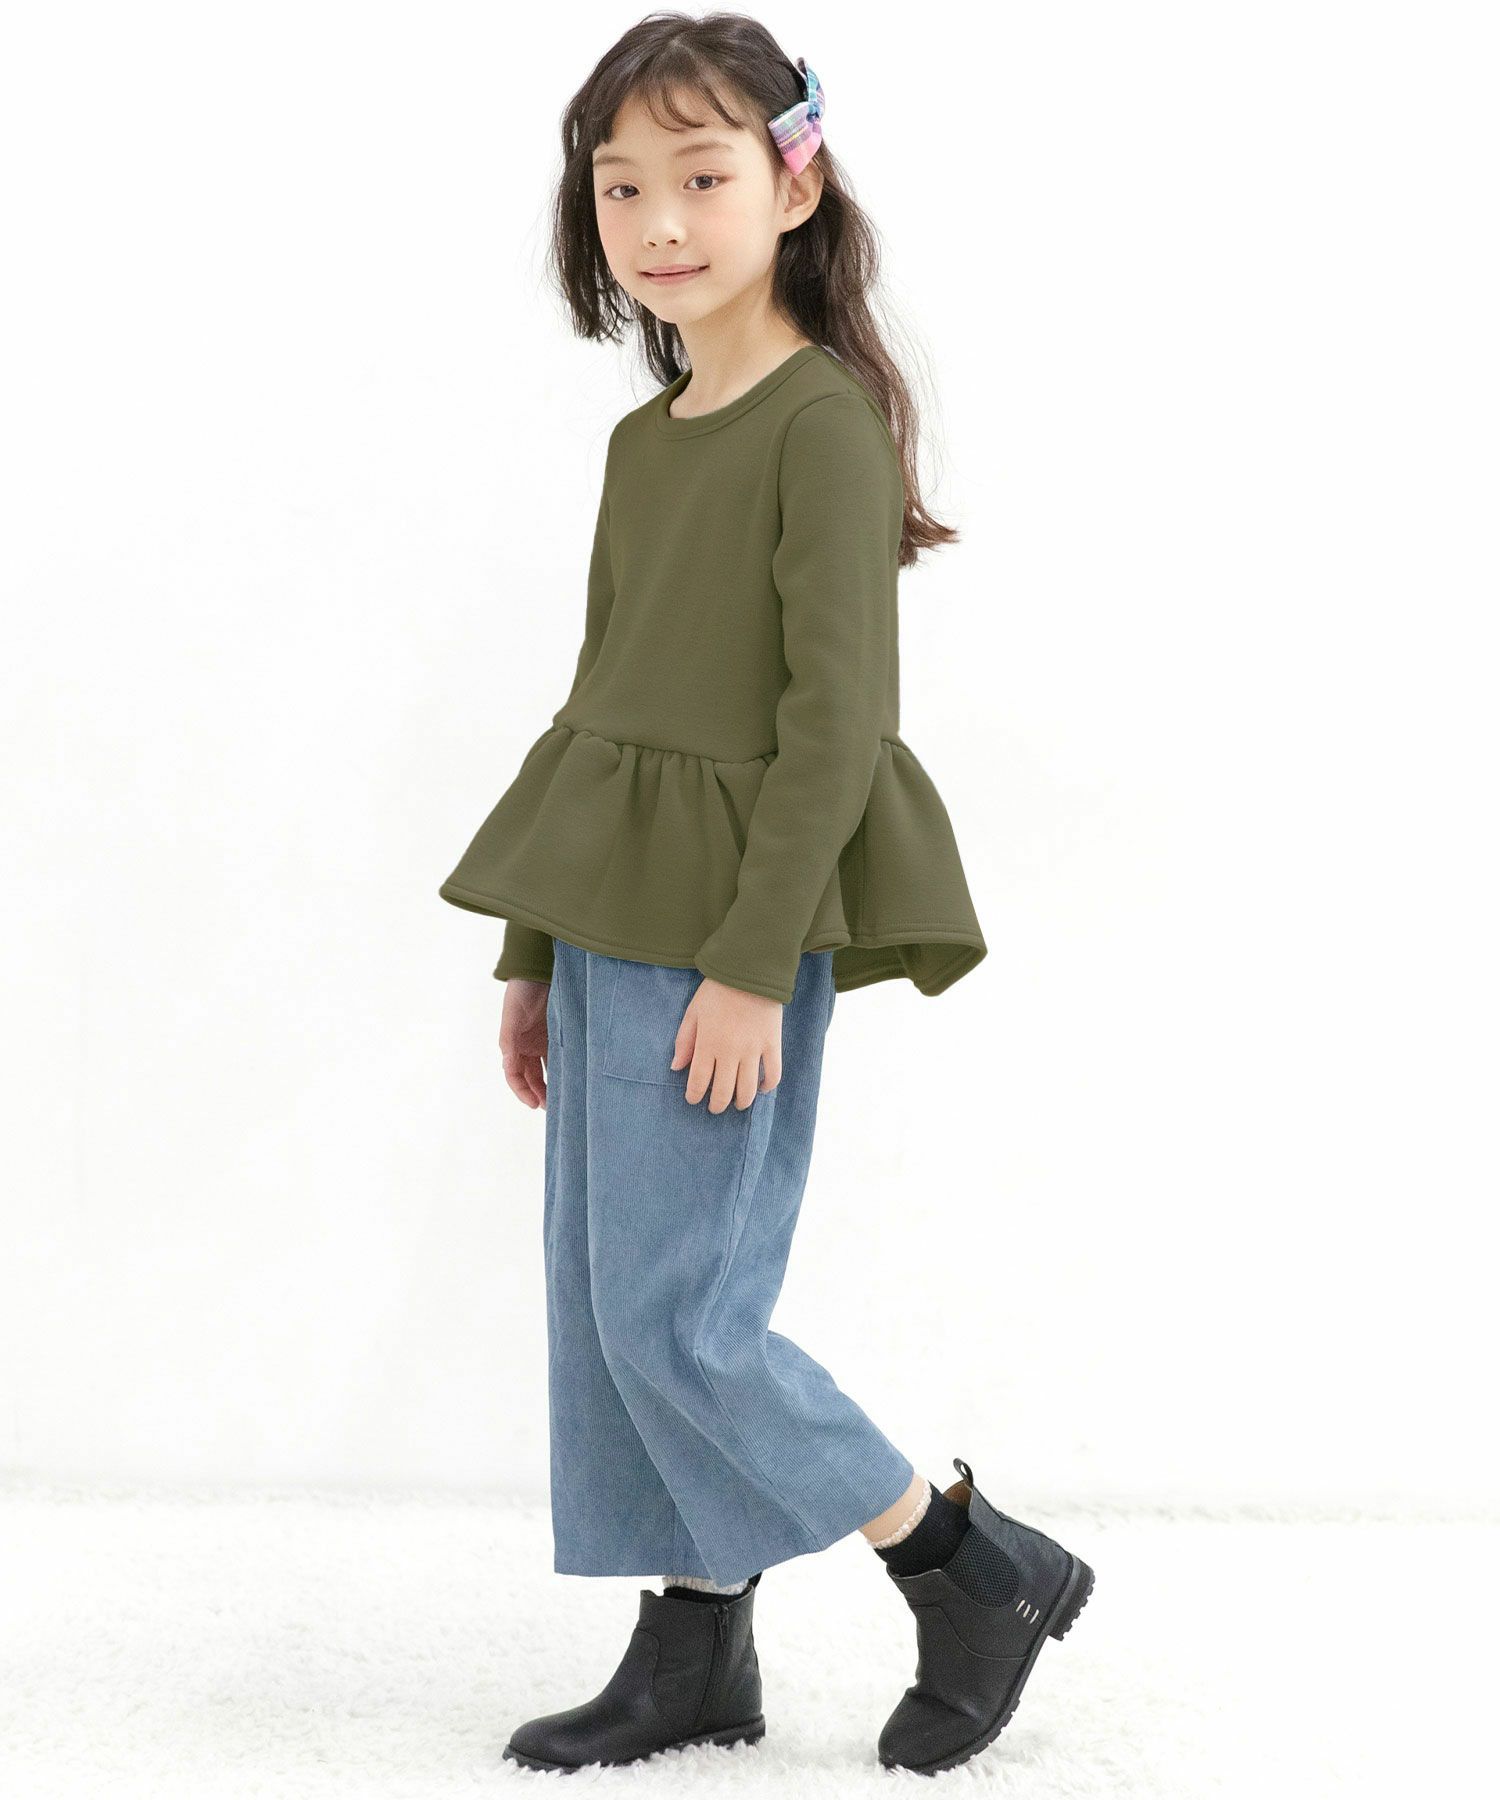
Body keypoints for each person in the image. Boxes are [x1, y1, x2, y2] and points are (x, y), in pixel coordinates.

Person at [438, 13, 1094, 1778]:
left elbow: (835, 731)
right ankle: (695, 1648)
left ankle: (968, 1563)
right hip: (610, 918)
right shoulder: (649, 442)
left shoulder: (821, 425)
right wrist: (531, 947)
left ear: (793, 185)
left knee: (684, 1318)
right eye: (621, 186)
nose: (660, 221)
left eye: (702, 175)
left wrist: (750, 965)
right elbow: (598, 703)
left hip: (730, 928)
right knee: (610, 1313)